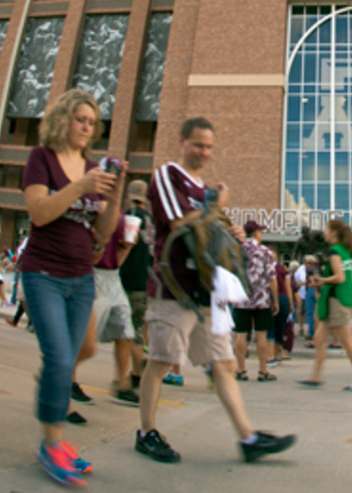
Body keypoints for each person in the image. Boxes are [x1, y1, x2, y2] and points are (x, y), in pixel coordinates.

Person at [136, 117, 295, 465]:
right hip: (173, 287)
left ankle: (248, 437)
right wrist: (215, 208)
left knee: (223, 365)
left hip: (207, 293)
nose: (204, 152)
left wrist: (230, 232)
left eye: (209, 146)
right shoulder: (168, 176)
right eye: (198, 144)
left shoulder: (204, 189)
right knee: (161, 362)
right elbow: (179, 224)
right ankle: (146, 430)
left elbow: (208, 230)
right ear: (182, 141)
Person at [20, 88, 127, 485]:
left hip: (81, 277)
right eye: (80, 119)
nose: (87, 127)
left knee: (84, 349)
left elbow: (100, 232)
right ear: (63, 119)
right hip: (43, 273)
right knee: (61, 358)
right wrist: (80, 188)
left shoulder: (92, 166)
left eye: (92, 123)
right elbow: (39, 212)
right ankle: (51, 444)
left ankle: (54, 427)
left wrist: (113, 200)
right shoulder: (41, 158)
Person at [299, 219, 352, 390]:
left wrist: (320, 280)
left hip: (336, 300)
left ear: (334, 233)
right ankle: (315, 377)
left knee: (347, 342)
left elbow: (340, 277)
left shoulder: (334, 252)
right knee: (319, 339)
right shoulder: (345, 252)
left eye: (327, 230)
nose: (324, 233)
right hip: (339, 299)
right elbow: (350, 278)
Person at [91, 210, 140, 404]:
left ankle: (121, 383)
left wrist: (127, 247)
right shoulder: (91, 206)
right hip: (91, 273)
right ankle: (69, 381)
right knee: (85, 336)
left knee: (126, 329)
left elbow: (116, 258)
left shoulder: (119, 214)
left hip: (112, 275)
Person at [233, 220, 278, 382]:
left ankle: (241, 369)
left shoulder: (237, 250)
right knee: (261, 335)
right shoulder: (265, 252)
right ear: (257, 234)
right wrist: (275, 300)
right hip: (261, 299)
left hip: (241, 298)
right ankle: (262, 370)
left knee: (241, 334)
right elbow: (271, 278)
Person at [118, 181, 152, 388]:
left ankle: (138, 367)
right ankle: (136, 373)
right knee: (138, 330)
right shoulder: (152, 221)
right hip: (146, 280)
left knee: (126, 333)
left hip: (129, 280)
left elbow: (126, 245)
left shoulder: (131, 216)